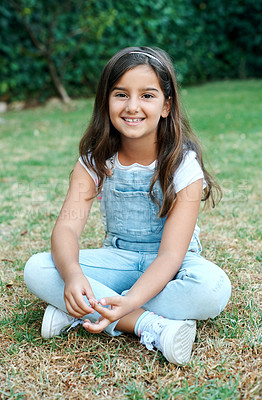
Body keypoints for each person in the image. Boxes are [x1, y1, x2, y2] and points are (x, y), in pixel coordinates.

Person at [24, 46, 231, 365]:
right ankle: (148, 325)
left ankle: (81, 312)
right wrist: (74, 273)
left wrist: (130, 298)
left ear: (166, 105)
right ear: (106, 102)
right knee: (39, 268)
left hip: (173, 265)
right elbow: (66, 228)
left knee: (213, 288)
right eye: (121, 94)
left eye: (147, 95)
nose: (133, 106)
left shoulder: (183, 166)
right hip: (118, 258)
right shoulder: (94, 163)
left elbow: (171, 255)